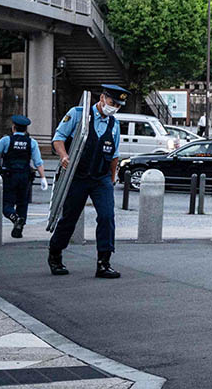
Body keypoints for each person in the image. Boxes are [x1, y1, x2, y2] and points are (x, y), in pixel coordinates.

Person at [49, 84, 129, 278]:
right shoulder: (78, 114)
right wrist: (64, 156)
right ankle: (55, 253)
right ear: (102, 98)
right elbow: (58, 138)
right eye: (112, 103)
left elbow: (114, 155)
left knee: (107, 216)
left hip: (101, 177)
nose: (115, 108)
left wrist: (111, 179)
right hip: (78, 175)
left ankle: (104, 262)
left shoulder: (114, 124)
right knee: (70, 217)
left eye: (118, 105)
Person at [0, 115, 47, 238]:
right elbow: (38, 162)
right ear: (26, 129)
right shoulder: (32, 142)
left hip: (9, 176)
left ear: (13, 127)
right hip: (25, 177)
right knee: (22, 203)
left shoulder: (6, 140)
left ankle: (14, 218)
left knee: (7, 204)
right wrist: (43, 178)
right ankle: (18, 229)